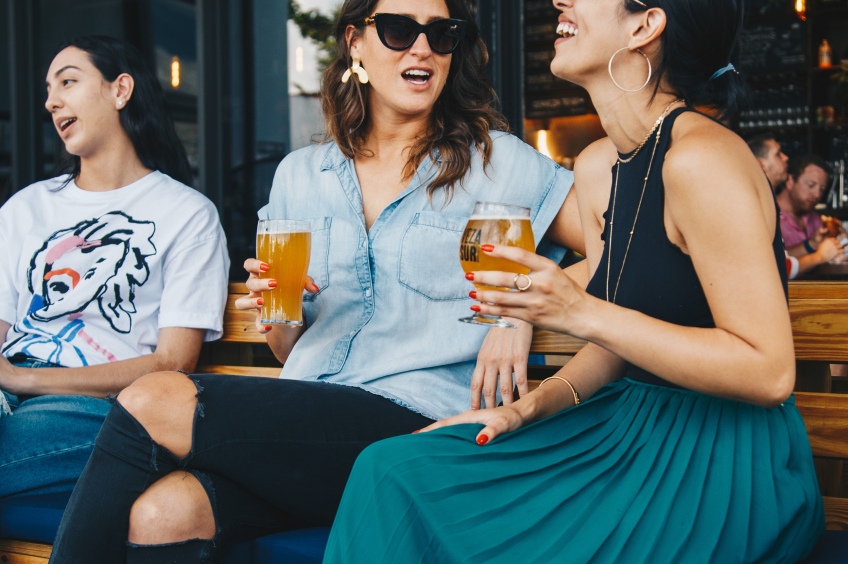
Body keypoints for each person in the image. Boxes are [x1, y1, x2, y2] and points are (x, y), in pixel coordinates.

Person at [49, 1, 582, 561]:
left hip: (420, 424)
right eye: (399, 30)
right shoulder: (301, 176)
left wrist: (519, 309)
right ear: (356, 42)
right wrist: (279, 311)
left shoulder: (494, 162)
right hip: (308, 421)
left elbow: (619, 246)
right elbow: (286, 347)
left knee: (153, 398)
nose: (421, 47)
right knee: (164, 513)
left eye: (441, 34)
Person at [324, 0, 824, 561]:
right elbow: (616, 347)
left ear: (644, 26)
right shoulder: (597, 167)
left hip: (723, 459)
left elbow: (769, 371)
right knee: (390, 470)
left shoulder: (702, 160)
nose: (561, 1)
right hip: (625, 427)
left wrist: (580, 312)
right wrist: (525, 408)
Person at [0, 35, 229, 499]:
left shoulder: (187, 213)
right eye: (48, 89)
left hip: (93, 407)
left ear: (120, 90)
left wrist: (25, 378)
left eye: (68, 81)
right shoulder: (26, 207)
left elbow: (173, 362)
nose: (51, 101)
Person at [778, 154, 847, 274]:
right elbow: (774, 262)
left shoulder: (817, 220)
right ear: (790, 181)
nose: (816, 195)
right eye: (811, 185)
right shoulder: (769, 215)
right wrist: (817, 252)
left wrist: (842, 244)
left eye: (822, 189)